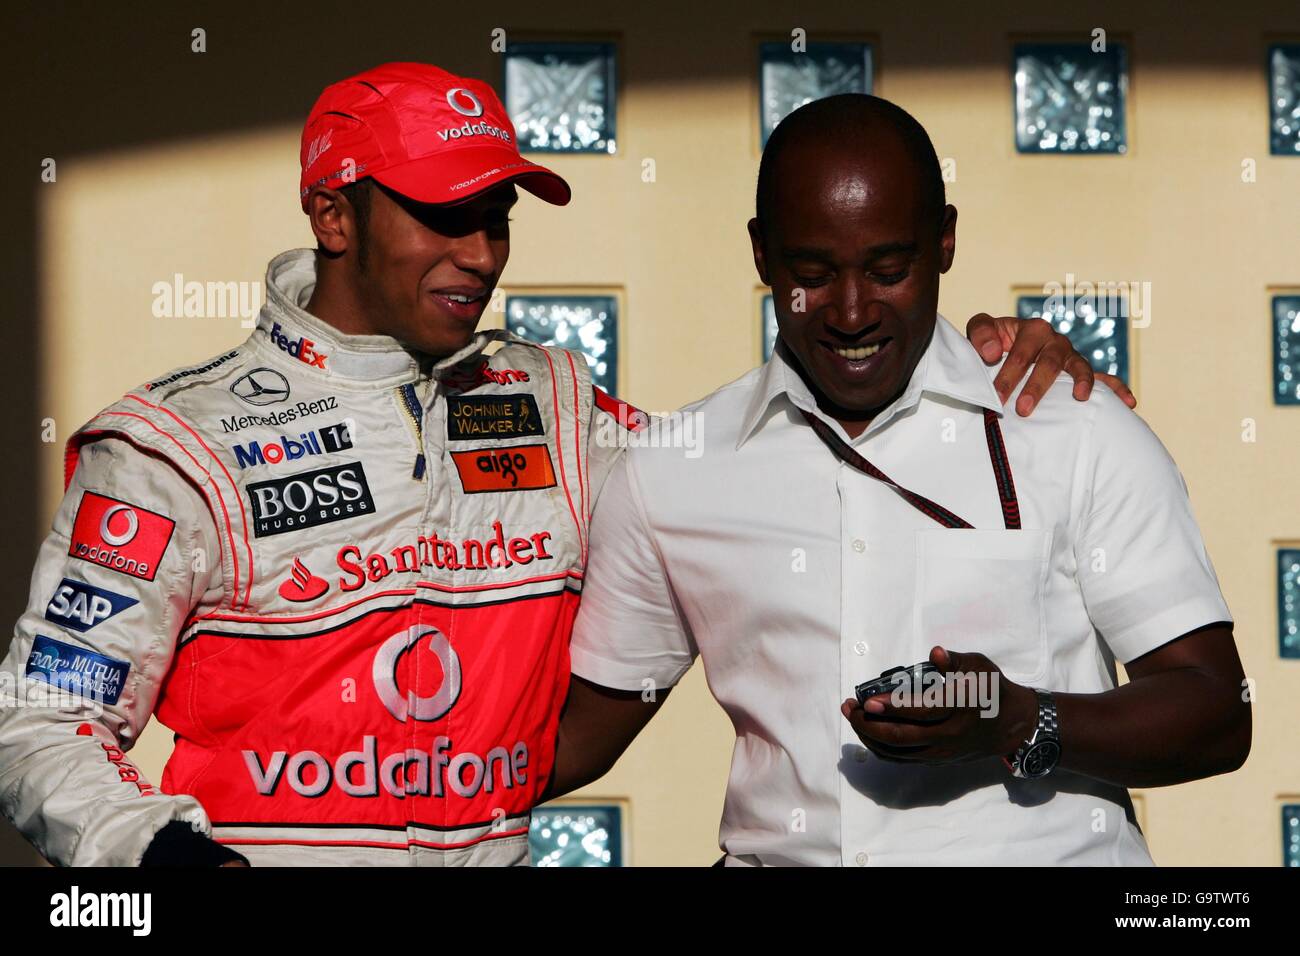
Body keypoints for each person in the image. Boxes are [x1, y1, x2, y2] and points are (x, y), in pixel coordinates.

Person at [0, 65, 1110, 867]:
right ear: (334, 212)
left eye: (495, 218)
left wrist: (973, 363)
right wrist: (158, 864)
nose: (480, 253)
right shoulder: (171, 448)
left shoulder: (561, 407)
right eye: (442, 215)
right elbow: (41, 723)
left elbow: (769, 463)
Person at [550, 94, 1250, 866]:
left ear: (944, 241)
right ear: (760, 253)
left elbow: (1217, 714)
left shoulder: (1072, 428)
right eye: (810, 273)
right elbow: (574, 739)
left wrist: (1016, 720)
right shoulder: (671, 471)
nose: (852, 312)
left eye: (891, 269)